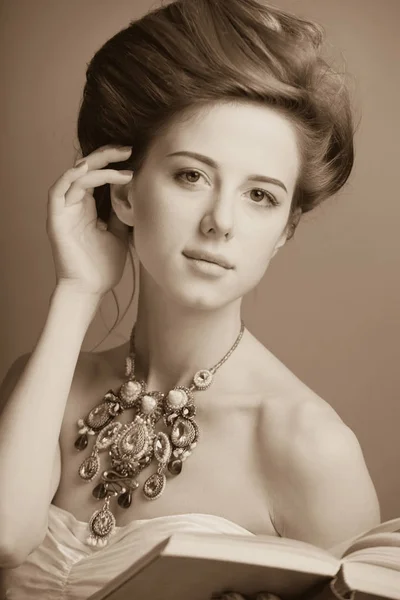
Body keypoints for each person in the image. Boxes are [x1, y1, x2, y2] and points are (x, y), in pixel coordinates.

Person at [0, 0, 380, 598]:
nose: (221, 222)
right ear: (123, 195)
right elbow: (5, 539)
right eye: (191, 176)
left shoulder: (308, 445)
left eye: (261, 195)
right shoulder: (45, 387)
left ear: (284, 231)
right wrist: (76, 290)